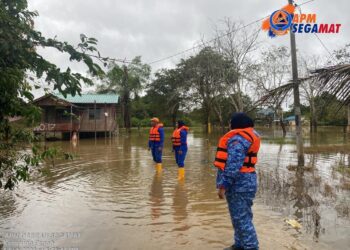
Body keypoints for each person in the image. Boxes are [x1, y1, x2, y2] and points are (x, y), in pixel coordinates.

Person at [214, 113, 261, 250]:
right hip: (246, 181)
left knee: (242, 219)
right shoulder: (247, 137)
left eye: (230, 122)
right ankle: (240, 245)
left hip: (239, 184)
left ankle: (251, 247)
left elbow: (233, 166)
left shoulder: (238, 140)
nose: (229, 125)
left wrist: (223, 185)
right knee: (239, 217)